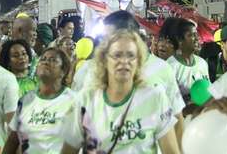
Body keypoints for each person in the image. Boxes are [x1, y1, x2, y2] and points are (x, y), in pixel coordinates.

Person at [72, 10, 185, 148]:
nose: (106, 44)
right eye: (104, 39)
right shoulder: (87, 70)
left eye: (111, 38)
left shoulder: (162, 69)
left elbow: (177, 120)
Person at [3, 48, 75, 154]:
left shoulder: (73, 101)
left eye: (52, 60)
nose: (46, 62)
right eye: (43, 59)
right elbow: (13, 140)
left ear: (63, 71)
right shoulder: (26, 100)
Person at [166, 18, 209, 104]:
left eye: (196, 34)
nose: (197, 38)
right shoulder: (170, 66)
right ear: (180, 40)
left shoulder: (202, 63)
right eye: (191, 35)